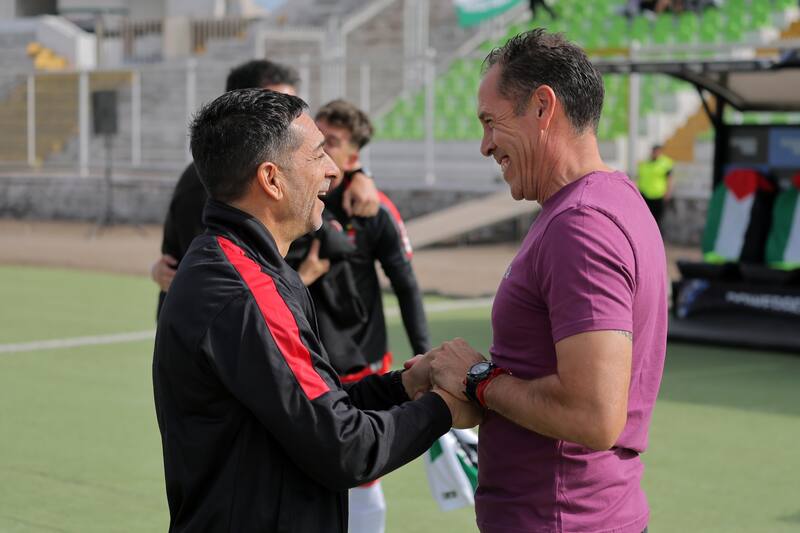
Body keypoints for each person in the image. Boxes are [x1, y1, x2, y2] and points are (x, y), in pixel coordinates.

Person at [152, 88, 481, 532]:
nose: (332, 170)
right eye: (319, 154)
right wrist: (444, 408)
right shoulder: (246, 289)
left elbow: (314, 406)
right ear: (272, 179)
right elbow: (345, 446)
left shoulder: (235, 262)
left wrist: (404, 385)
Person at [423, 29, 667, 533]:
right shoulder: (608, 201)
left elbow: (592, 416)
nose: (485, 145)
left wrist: (478, 379)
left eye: (491, 122)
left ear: (542, 107)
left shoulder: (581, 223)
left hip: (562, 519)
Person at [286, 99, 430, 533]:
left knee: (363, 473)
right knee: (300, 470)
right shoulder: (294, 198)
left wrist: (425, 354)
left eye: (334, 143)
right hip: (304, 362)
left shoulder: (374, 208)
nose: (322, 151)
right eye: (318, 140)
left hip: (362, 362)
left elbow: (406, 284)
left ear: (354, 156)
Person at [150, 59, 380, 315]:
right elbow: (214, 282)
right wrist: (296, 282)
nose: (290, 113)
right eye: (276, 102)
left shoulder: (283, 169)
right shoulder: (207, 186)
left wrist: (359, 173)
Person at [637, 144, 674, 229]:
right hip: (645, 195)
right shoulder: (645, 163)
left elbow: (670, 179)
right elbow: (639, 177)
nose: (655, 153)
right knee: (646, 220)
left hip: (659, 195)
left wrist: (668, 192)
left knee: (658, 221)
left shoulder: (666, 163)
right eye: (654, 151)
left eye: (657, 151)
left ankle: (657, 240)